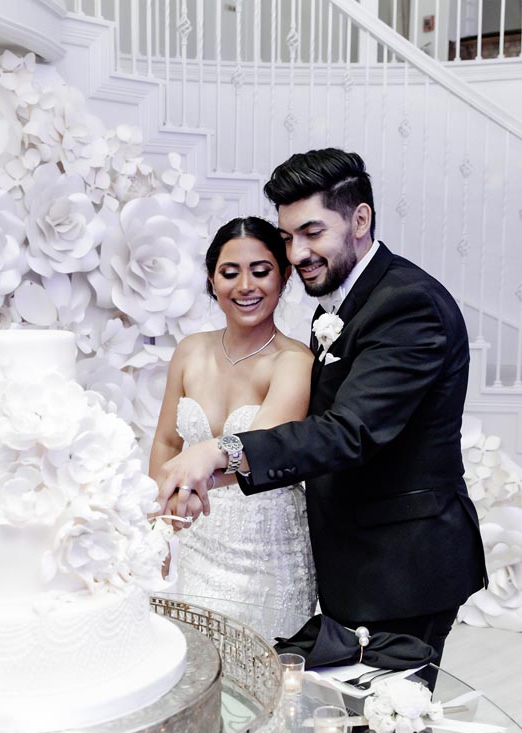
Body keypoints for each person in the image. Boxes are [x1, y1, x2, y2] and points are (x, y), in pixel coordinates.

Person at [156, 148, 487, 668]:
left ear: (360, 219)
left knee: (389, 732)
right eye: (288, 238)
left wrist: (219, 452)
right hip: (349, 562)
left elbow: (348, 432)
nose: (297, 252)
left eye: (312, 233)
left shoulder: (407, 304)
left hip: (400, 570)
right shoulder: (336, 308)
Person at [149, 216, 317, 638]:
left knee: (262, 678)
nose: (246, 286)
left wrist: (187, 487)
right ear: (211, 280)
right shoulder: (190, 351)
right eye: (230, 273)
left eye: (261, 272)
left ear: (283, 278)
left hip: (266, 552)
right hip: (196, 540)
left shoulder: (294, 362)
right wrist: (159, 530)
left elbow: (261, 450)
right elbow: (167, 442)